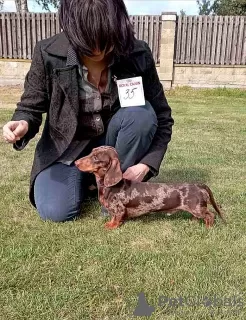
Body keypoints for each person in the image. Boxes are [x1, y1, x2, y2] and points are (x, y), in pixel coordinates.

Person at [2, 0, 174, 222]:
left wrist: (146, 165)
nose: (99, 51)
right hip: (67, 149)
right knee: (56, 211)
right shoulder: (48, 53)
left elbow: (162, 116)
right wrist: (22, 123)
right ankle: (89, 180)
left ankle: (115, 192)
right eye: (89, 43)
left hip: (114, 145)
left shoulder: (136, 53)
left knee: (141, 115)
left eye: (107, 41)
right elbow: (30, 106)